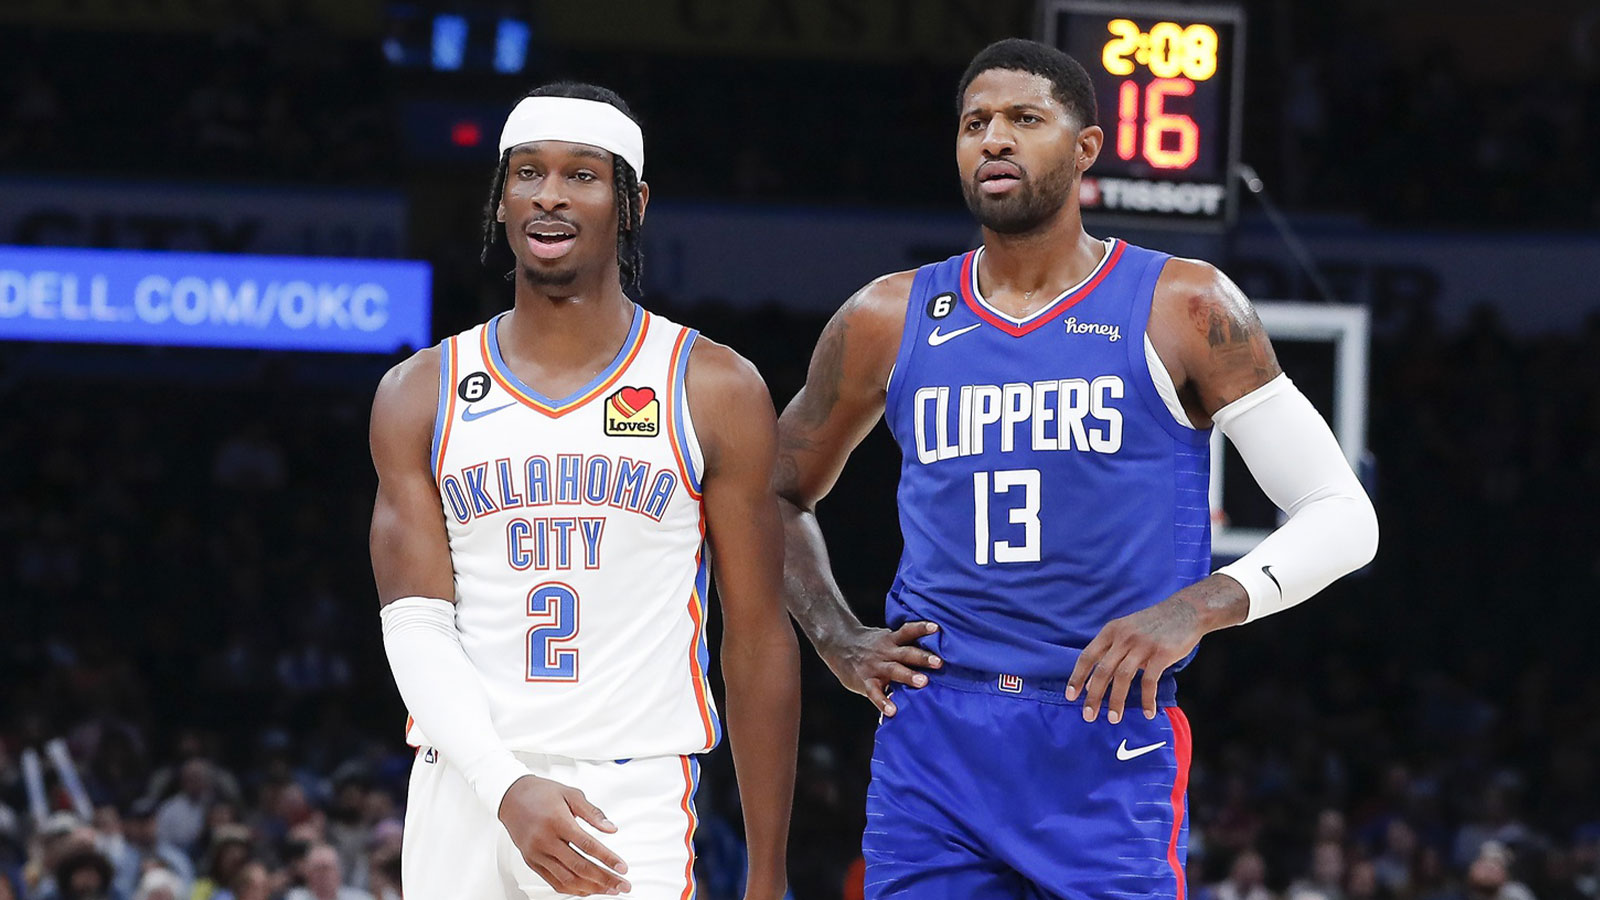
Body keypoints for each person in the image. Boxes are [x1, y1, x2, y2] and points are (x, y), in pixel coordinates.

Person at [776, 38, 1378, 899]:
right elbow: (773, 492)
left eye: (1025, 119)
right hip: (935, 737)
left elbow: (1343, 514)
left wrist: (1194, 608)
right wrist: (835, 635)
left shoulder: (1185, 305)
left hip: (1103, 732)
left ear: (1086, 146)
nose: (994, 139)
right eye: (975, 124)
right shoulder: (887, 315)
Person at [370, 81, 800, 899]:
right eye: (527, 173)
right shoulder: (421, 391)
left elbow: (756, 639)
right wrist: (503, 784)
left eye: (581, 175)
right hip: (465, 779)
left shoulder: (711, 386)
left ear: (633, 203)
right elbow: (415, 622)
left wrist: (769, 871)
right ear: (501, 201)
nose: (550, 195)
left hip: (626, 790)